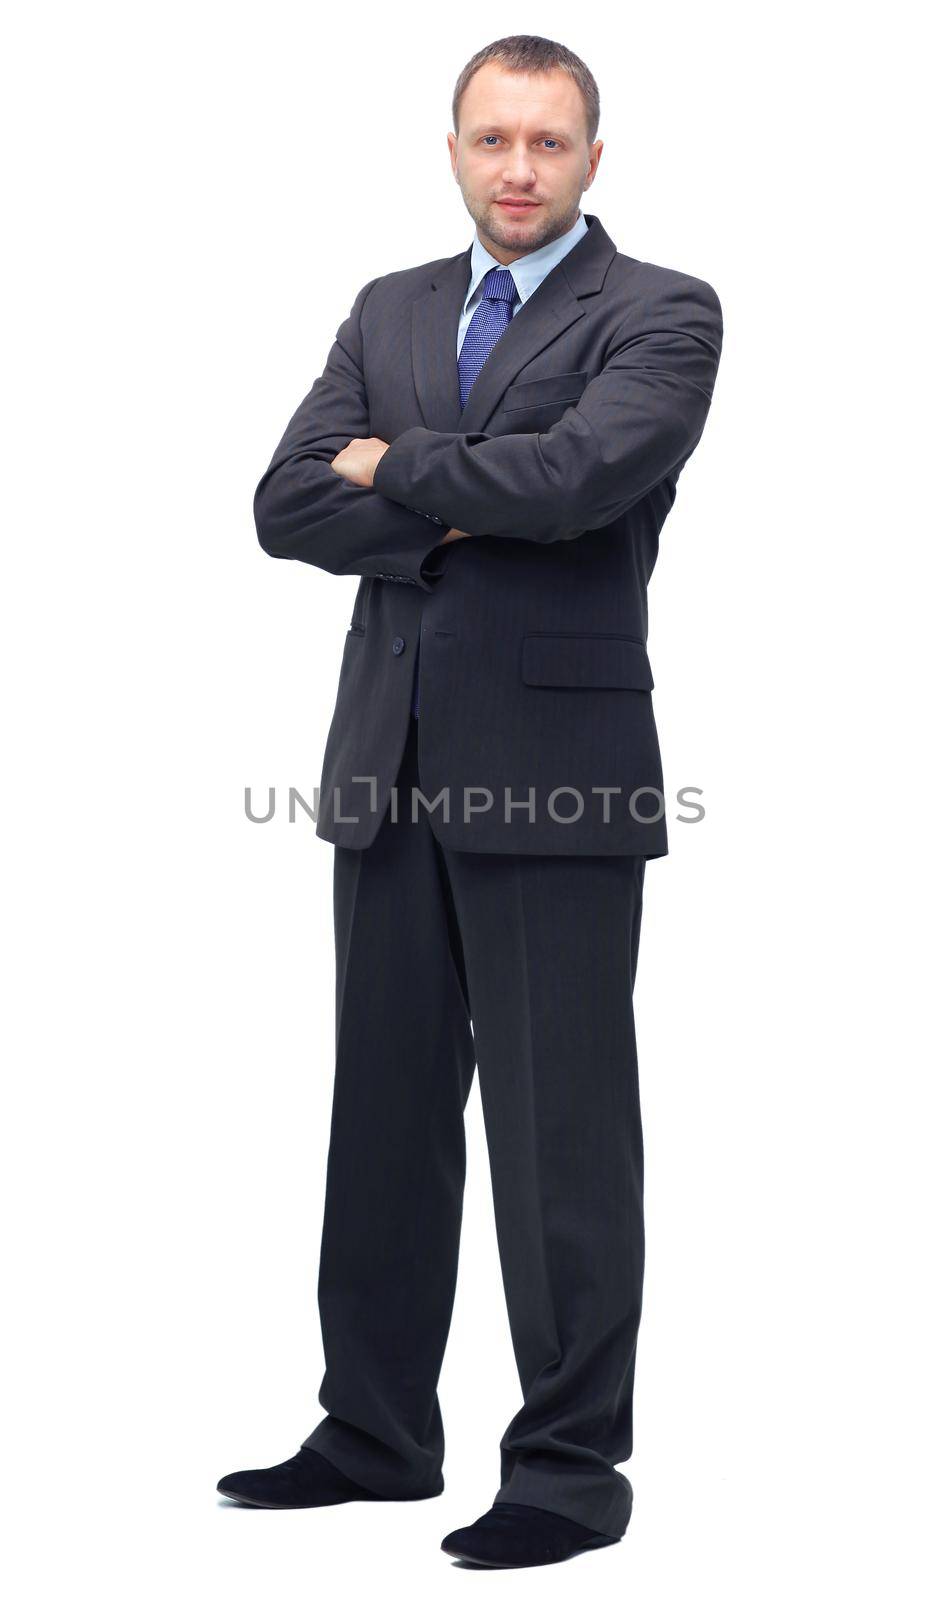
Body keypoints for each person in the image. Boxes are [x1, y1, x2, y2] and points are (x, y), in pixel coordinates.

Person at [218, 33, 723, 1570]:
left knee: (560, 1138)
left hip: (555, 775)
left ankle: (567, 1477)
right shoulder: (391, 307)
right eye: (492, 140)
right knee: (379, 1118)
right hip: (387, 761)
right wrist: (450, 495)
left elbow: (581, 480)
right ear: (452, 148)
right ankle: (374, 1431)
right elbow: (284, 500)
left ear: (591, 159)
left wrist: (399, 472)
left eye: (548, 144)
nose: (518, 169)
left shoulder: (660, 312)